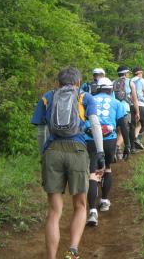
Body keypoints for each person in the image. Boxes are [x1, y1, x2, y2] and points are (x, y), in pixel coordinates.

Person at [31, 66, 105, 259]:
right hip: (78, 151)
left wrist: (44, 153)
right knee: (80, 205)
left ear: (58, 82)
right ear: (78, 82)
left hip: (53, 151)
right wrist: (100, 152)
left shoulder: (47, 97)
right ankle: (72, 251)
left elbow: (41, 131)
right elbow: (95, 124)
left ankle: (51, 257)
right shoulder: (85, 97)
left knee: (54, 211)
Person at [85, 78, 127, 227]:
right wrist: (127, 145)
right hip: (109, 139)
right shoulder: (117, 103)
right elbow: (122, 125)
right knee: (107, 168)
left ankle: (92, 211)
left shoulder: (89, 99)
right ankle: (103, 200)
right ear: (111, 89)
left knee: (92, 173)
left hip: (89, 139)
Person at [113, 66, 139, 157]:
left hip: (114, 109)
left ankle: (117, 150)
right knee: (123, 131)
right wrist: (137, 111)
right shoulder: (130, 82)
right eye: (128, 73)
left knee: (116, 130)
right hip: (125, 109)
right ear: (125, 73)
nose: (128, 74)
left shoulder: (113, 82)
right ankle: (116, 147)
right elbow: (135, 99)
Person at [132, 67, 144, 149]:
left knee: (136, 125)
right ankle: (137, 139)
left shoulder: (130, 80)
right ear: (140, 73)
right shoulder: (142, 81)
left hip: (131, 104)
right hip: (140, 104)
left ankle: (133, 144)